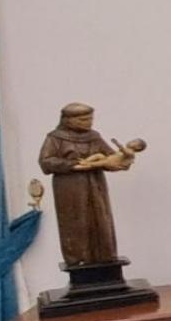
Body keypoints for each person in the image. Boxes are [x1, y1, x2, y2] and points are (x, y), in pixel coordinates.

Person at [38, 103, 136, 266]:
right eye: (83, 119)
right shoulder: (55, 138)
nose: (88, 122)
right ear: (68, 120)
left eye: (90, 119)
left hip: (95, 184)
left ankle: (104, 256)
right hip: (69, 187)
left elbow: (111, 157)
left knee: (101, 218)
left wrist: (122, 159)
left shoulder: (94, 137)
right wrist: (72, 165)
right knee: (75, 221)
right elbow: (46, 162)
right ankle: (77, 259)